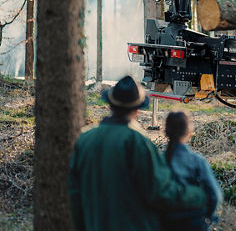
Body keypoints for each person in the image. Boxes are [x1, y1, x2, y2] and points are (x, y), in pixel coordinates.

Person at [68, 76, 209, 231]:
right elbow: (160, 192)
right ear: (137, 110)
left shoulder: (85, 139)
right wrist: (198, 195)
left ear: (110, 105)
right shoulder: (137, 142)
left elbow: (74, 195)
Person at [163, 112, 222, 230]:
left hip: (165, 221)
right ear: (188, 133)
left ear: (166, 132)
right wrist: (208, 216)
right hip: (195, 221)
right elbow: (215, 195)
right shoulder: (197, 161)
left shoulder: (158, 159)